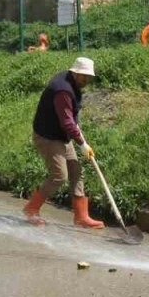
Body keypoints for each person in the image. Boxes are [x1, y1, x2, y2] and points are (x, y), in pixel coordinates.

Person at [23, 57, 103, 228]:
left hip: (61, 136)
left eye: (89, 76)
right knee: (59, 176)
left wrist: (82, 140)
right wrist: (82, 144)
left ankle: (81, 217)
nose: (87, 80)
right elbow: (67, 122)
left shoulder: (72, 83)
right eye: (84, 76)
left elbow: (71, 119)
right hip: (48, 136)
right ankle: (31, 209)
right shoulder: (63, 90)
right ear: (75, 72)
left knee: (76, 170)